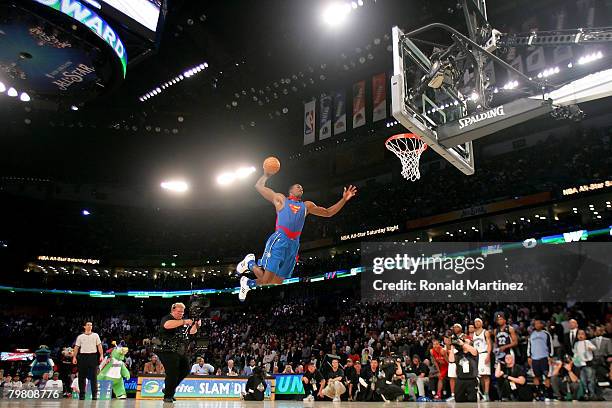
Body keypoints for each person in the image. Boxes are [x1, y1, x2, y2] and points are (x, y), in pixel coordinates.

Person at [236, 169, 357, 300]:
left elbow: (328, 212)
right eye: (297, 186)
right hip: (280, 239)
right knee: (266, 279)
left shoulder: (307, 206)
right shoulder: (280, 199)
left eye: (302, 187)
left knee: (278, 281)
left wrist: (344, 199)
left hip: (294, 244)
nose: (301, 188)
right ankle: (250, 263)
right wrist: (266, 175)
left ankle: (248, 283)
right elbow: (259, 186)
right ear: (290, 191)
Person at [157, 302, 202, 403]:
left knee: (186, 369)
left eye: (182, 312)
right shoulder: (167, 318)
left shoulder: (182, 321)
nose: (181, 314)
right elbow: (167, 325)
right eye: (179, 311)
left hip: (178, 350)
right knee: (172, 372)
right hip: (166, 349)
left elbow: (191, 332)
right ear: (173, 310)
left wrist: (196, 324)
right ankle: (168, 396)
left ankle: (169, 389)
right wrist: (184, 321)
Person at [72, 321, 103, 400]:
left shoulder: (95, 335)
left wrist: (101, 355)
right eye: (88, 325)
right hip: (83, 357)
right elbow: (76, 347)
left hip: (93, 356)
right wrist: (74, 357)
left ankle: (94, 395)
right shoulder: (80, 337)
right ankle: (82, 395)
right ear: (84, 327)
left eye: (91, 325)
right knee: (81, 376)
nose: (90, 326)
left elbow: (99, 346)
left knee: (94, 376)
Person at [527, 318, 554, 400]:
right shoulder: (532, 334)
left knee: (547, 376)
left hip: (544, 358)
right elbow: (529, 346)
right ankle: (538, 394)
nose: (537, 325)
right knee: (536, 376)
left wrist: (551, 356)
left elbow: (550, 345)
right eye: (535, 324)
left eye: (538, 323)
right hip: (534, 358)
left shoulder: (546, 333)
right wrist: (528, 356)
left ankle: (548, 394)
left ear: (542, 325)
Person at [448, 337, 479, 403]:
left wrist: (463, 344)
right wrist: (452, 348)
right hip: (460, 379)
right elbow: (451, 360)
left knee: (472, 400)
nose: (464, 343)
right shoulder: (458, 354)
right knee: (459, 400)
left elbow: (474, 351)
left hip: (471, 379)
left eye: (466, 342)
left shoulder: (473, 353)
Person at [572, 329, 597, 399]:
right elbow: (575, 353)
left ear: (585, 336)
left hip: (588, 363)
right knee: (583, 380)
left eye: (582, 334)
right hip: (581, 364)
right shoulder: (576, 344)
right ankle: (586, 393)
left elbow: (594, 347)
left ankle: (592, 394)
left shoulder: (587, 342)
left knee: (590, 379)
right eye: (579, 334)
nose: (580, 335)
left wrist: (590, 348)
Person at [472, 318, 492, 401]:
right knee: (479, 376)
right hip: (476, 356)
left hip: (484, 354)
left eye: (478, 322)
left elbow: (489, 344)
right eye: (475, 322)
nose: (476, 323)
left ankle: (487, 394)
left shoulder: (485, 332)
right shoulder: (473, 334)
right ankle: (483, 394)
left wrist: (488, 355)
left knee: (485, 376)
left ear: (481, 323)